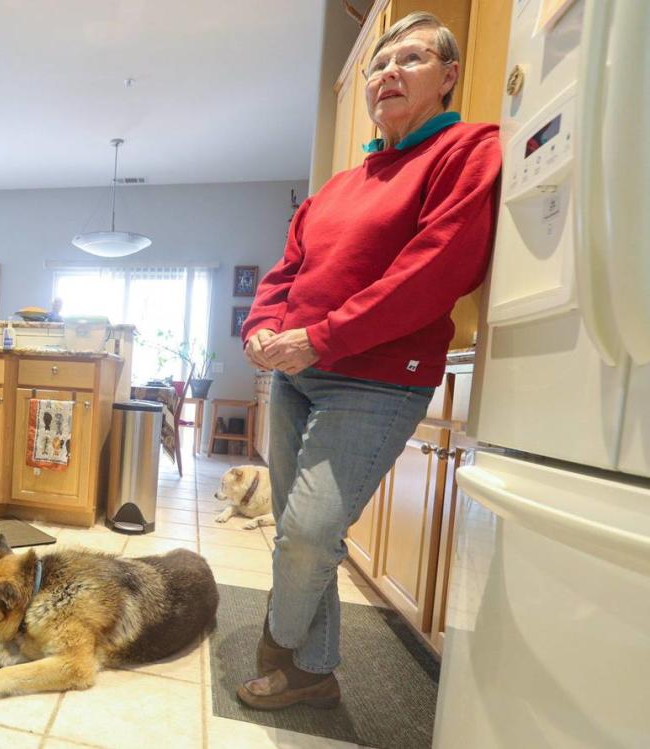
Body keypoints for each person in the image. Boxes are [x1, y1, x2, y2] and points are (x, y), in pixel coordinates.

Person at [240, 12, 501, 710]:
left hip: (376, 378)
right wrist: (261, 328)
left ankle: (276, 641)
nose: (387, 73)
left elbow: (434, 269)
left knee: (308, 532)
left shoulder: (470, 149)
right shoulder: (337, 186)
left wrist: (321, 336)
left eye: (410, 59)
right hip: (294, 371)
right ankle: (312, 667)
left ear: (448, 77)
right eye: (378, 65)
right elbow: (284, 270)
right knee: (301, 530)